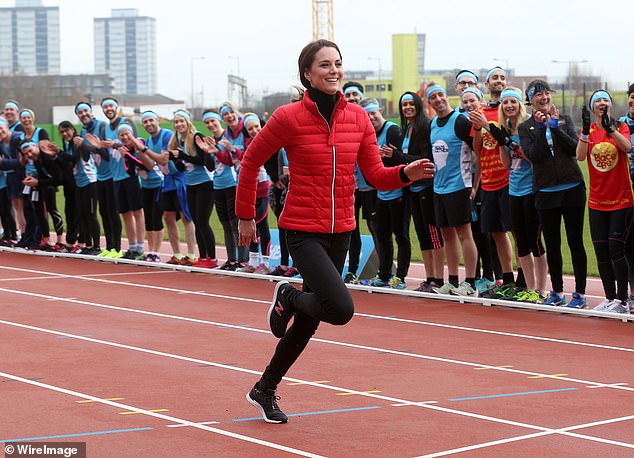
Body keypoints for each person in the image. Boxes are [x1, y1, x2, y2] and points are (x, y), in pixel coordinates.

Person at [235, 40, 435, 424]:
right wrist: (247, 215)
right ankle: (289, 297)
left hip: (341, 228)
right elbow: (251, 161)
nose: (334, 70)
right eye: (324, 65)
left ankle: (264, 388)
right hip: (301, 229)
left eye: (338, 64)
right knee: (340, 310)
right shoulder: (287, 117)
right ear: (307, 74)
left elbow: (375, 174)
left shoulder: (358, 118)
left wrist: (405, 174)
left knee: (312, 322)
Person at [519, 79, 587, 308]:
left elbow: (572, 149)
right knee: (553, 244)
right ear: (531, 100)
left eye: (546, 93)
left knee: (575, 241)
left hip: (572, 188)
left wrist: (555, 127)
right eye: (538, 95)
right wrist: (540, 129)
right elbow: (534, 156)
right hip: (545, 192)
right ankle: (557, 292)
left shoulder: (565, 119)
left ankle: (580, 294)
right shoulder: (524, 127)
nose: (544, 98)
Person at [577, 91, 633, 313]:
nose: (602, 103)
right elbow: (580, 156)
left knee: (616, 249)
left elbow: (627, 147)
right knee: (601, 252)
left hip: (621, 199)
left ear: (610, 105)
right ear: (593, 107)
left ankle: (622, 300)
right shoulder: (590, 131)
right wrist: (583, 130)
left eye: (605, 100)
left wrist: (611, 129)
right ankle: (609, 298)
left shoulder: (620, 126)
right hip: (597, 201)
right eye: (597, 100)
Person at [494, 88, 547, 301]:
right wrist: (500, 143)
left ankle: (541, 290)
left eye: (513, 102)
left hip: (531, 189)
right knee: (521, 241)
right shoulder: (504, 128)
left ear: (519, 105)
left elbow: (533, 158)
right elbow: (506, 164)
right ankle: (530, 288)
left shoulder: (527, 127)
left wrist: (511, 143)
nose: (509, 106)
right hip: (513, 190)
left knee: (535, 240)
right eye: (505, 102)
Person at [425, 85, 478, 296]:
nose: (438, 99)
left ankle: (471, 282)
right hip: (439, 188)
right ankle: (453, 281)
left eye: (440, 95)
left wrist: (474, 184)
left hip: (459, 186)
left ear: (447, 97)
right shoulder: (433, 125)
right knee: (447, 236)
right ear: (430, 103)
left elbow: (478, 150)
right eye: (433, 97)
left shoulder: (460, 121)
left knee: (465, 234)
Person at [469, 67, 517, 293]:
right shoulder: (480, 112)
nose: (499, 81)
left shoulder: (510, 110)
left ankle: (524, 280)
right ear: (486, 85)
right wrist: (478, 126)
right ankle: (506, 279)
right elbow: (477, 148)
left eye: (502, 78)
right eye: (494, 78)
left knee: (517, 232)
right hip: (489, 181)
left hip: (510, 179)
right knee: (497, 233)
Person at [360, 97, 410, 289]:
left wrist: (386, 158)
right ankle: (384, 274)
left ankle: (401, 277)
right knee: (382, 236)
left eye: (373, 113)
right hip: (380, 192)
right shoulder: (368, 134)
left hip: (398, 192)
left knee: (401, 235)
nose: (371, 117)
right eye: (367, 115)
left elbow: (398, 159)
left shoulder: (392, 130)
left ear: (380, 111)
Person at [398, 91, 445, 292]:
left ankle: (439, 279)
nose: (408, 107)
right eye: (404, 104)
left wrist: (398, 156)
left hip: (427, 186)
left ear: (418, 105)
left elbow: (426, 158)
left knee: (433, 232)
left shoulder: (425, 127)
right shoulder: (406, 128)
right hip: (412, 189)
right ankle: (430, 277)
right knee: (421, 233)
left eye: (411, 104)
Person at [140, 110, 196, 265]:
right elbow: (152, 164)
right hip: (167, 181)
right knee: (168, 217)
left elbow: (163, 160)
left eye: (151, 120)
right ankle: (177, 254)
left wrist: (143, 150)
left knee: (185, 216)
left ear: (158, 120)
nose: (149, 124)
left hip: (179, 179)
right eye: (145, 122)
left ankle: (191, 254)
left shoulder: (166, 135)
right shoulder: (150, 140)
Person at [168, 110, 218, 268]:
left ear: (188, 122)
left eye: (182, 121)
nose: (179, 124)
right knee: (196, 222)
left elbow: (202, 161)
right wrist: (175, 159)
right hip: (190, 185)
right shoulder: (178, 141)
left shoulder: (197, 136)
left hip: (205, 184)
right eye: (176, 122)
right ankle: (202, 258)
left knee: (203, 221)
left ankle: (212, 258)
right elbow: (184, 167)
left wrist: (181, 155)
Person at [75, 101, 122, 258]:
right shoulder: (83, 130)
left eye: (85, 111)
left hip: (111, 174)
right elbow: (86, 157)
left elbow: (105, 154)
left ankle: (117, 248)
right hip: (99, 175)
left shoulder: (102, 126)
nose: (83, 114)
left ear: (91, 112)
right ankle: (108, 247)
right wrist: (81, 147)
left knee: (113, 212)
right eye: (80, 112)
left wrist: (87, 146)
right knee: (104, 212)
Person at [201, 109, 245, 270]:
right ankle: (231, 260)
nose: (210, 124)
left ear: (219, 120)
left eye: (213, 121)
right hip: (218, 185)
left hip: (232, 184)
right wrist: (206, 152)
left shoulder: (228, 138)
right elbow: (211, 167)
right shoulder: (211, 140)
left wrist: (219, 150)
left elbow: (231, 161)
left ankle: (242, 260)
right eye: (207, 122)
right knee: (225, 225)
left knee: (235, 224)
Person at [54, 121, 101, 254]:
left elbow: (74, 159)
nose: (64, 134)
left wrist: (58, 152)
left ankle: (96, 246)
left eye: (66, 130)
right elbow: (68, 163)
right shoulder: (68, 144)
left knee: (91, 215)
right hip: (78, 183)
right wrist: (56, 155)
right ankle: (88, 245)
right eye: (62, 132)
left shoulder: (78, 141)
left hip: (90, 181)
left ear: (73, 129)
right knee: (83, 214)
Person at [19, 140, 62, 251]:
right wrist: (34, 181)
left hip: (56, 185)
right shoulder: (37, 161)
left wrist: (38, 182)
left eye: (30, 151)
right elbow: (43, 177)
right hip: (43, 185)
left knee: (53, 210)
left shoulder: (47, 158)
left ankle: (60, 241)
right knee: (39, 212)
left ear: (36, 147)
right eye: (26, 154)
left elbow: (58, 179)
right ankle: (47, 241)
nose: (29, 155)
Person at [617, 83, 634, 308]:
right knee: (629, 241)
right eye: (632, 96)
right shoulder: (619, 124)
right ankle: (632, 292)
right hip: (624, 187)